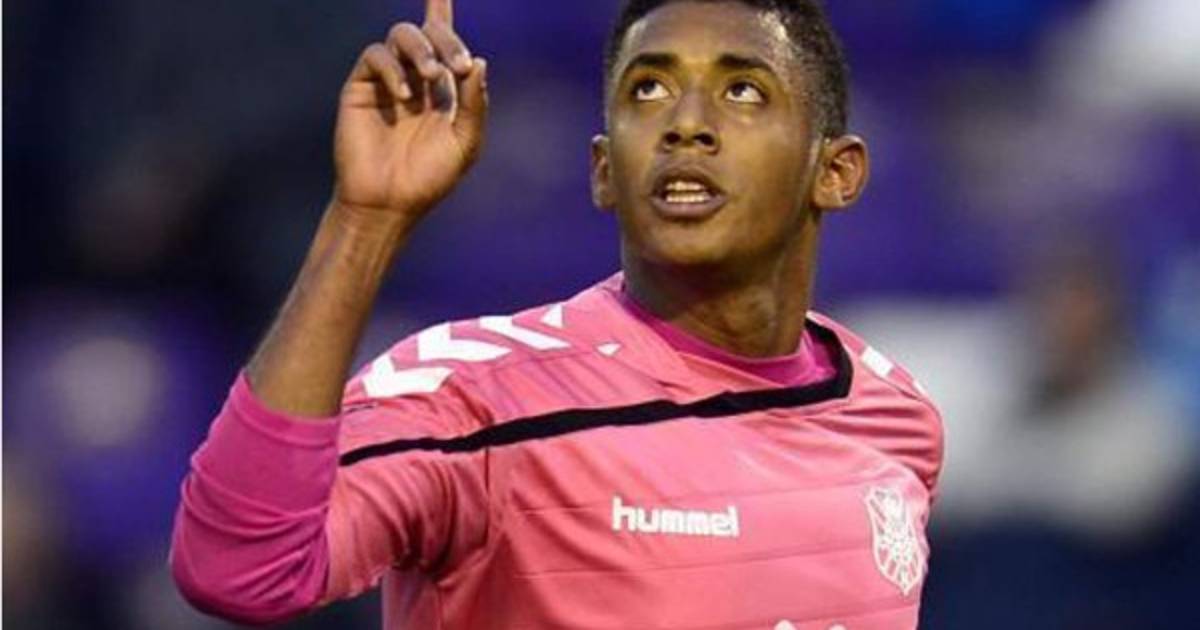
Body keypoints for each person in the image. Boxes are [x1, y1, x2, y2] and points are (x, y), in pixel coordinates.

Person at [170, 0, 943, 627]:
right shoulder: (475, 398)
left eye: (743, 90)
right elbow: (240, 570)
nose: (685, 123)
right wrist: (365, 220)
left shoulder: (894, 419)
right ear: (604, 171)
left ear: (836, 172)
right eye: (648, 89)